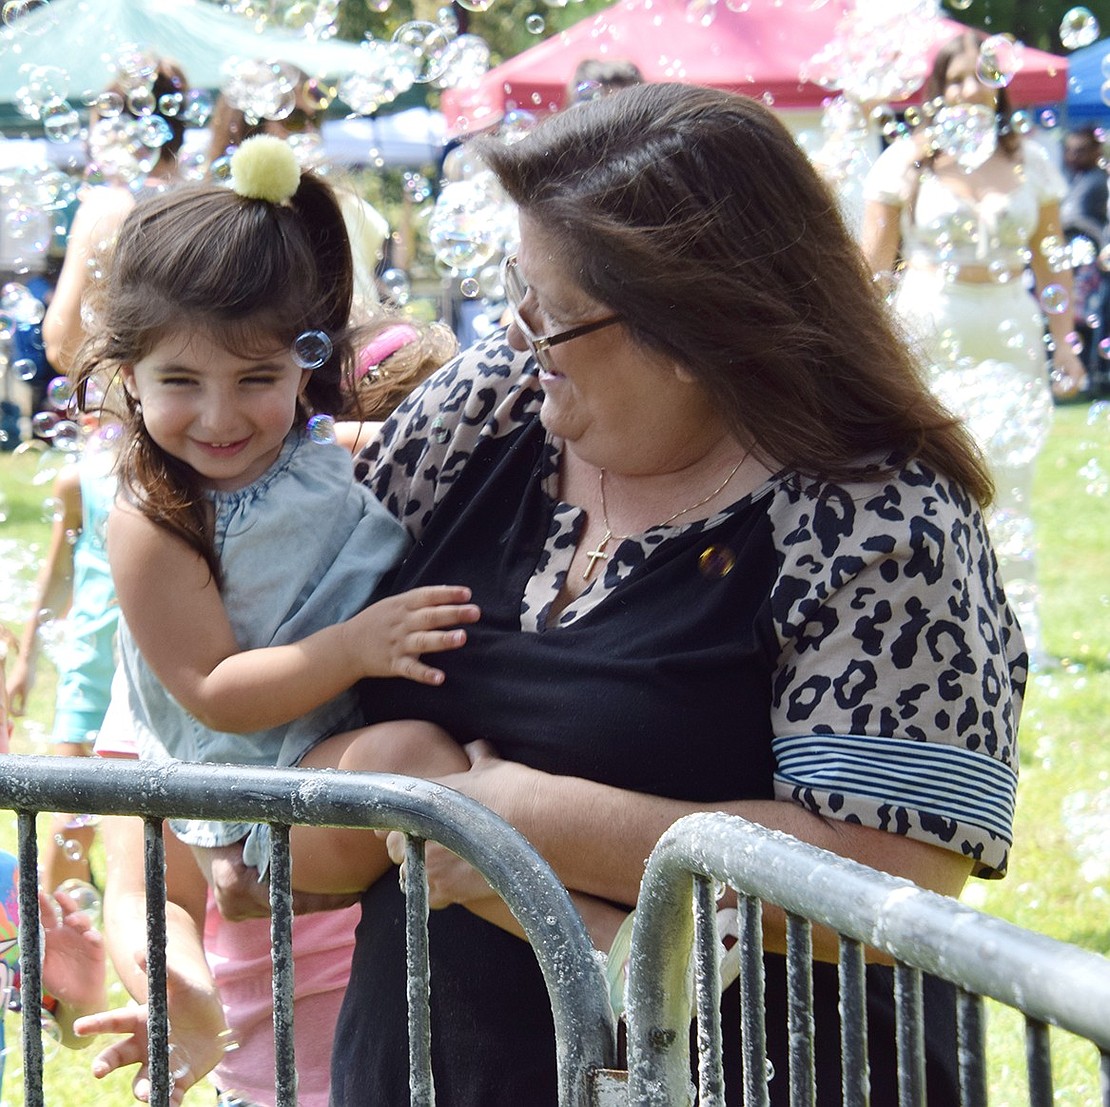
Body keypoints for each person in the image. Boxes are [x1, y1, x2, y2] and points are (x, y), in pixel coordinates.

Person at [287, 82, 1023, 1106]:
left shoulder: (880, 519)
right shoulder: (489, 409)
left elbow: (894, 879)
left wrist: (514, 821)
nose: (518, 328)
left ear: (691, 331)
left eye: (555, 314)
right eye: (517, 286)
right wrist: (378, 793)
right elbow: (290, 709)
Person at [860, 30, 1085, 669]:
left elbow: (1052, 262)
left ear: (997, 84)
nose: (967, 90)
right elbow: (873, 272)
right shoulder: (907, 160)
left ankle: (1023, 630)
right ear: (937, 90)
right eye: (954, 79)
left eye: (978, 77)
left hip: (1008, 320)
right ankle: (939, 619)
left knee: (1011, 480)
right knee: (932, 474)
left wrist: (1065, 345)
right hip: (933, 324)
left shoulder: (1028, 161)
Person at [6, 433, 119, 892]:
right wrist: (26, 661)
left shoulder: (193, 475)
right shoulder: (81, 481)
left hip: (161, 676)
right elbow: (57, 574)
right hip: (93, 670)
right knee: (72, 818)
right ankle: (59, 953)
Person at [206, 59, 389, 322]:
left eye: (315, 119)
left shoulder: (346, 209)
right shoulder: (214, 218)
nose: (309, 131)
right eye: (294, 119)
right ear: (250, 125)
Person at [42, 58, 191, 374]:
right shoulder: (205, 202)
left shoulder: (107, 207)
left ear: (116, 133)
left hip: (126, 411)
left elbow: (62, 346)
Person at [1060, 126, 1107, 386]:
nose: (1073, 156)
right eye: (1070, 151)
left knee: (1088, 318)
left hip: (1089, 263)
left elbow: (1072, 216)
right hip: (1075, 261)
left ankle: (1092, 372)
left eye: (1081, 151)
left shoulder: (1096, 182)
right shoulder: (1073, 178)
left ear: (1095, 151)